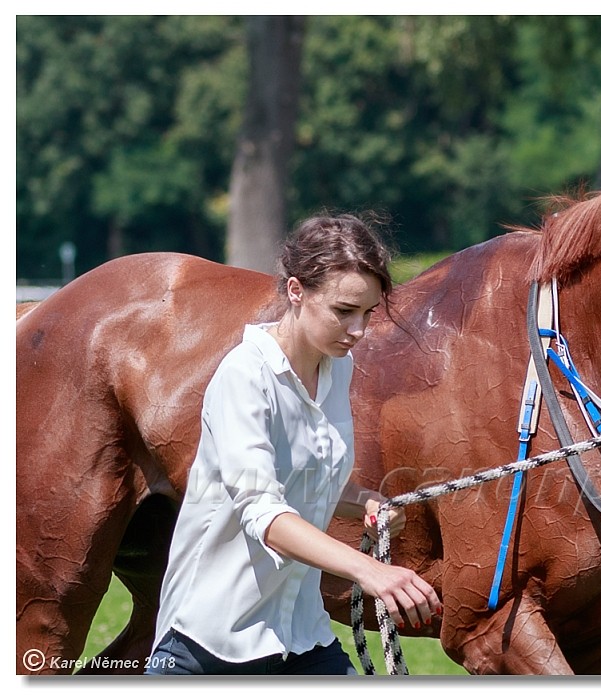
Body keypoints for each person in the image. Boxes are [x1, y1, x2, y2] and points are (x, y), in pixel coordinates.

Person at [146, 213, 441, 675]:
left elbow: (309, 480)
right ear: (296, 291)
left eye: (367, 313)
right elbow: (265, 515)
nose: (358, 330)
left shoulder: (335, 366)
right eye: (344, 311)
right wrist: (369, 571)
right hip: (209, 645)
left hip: (301, 635)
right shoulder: (245, 376)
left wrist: (364, 501)